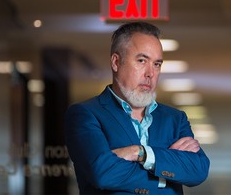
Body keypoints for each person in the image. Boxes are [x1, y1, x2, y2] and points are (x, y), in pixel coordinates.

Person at [65, 21, 210, 194]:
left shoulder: (175, 119)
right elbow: (103, 173)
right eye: (142, 61)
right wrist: (166, 168)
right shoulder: (86, 114)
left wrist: (140, 153)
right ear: (116, 62)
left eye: (157, 64)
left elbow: (198, 170)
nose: (150, 73)